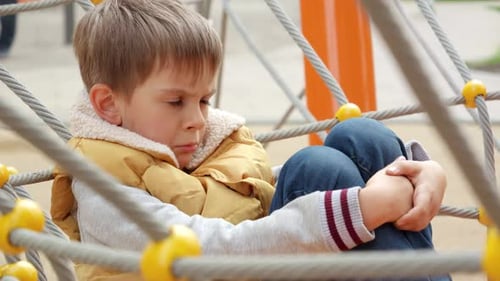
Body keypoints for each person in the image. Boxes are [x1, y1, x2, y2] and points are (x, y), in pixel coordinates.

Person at [50, 0, 449, 280]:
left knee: (360, 137)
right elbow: (208, 250)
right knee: (314, 168)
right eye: (175, 101)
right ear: (108, 104)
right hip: (226, 268)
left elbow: (247, 194)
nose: (196, 120)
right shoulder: (102, 189)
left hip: (261, 265)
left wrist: (415, 173)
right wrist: (359, 208)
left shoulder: (190, 144)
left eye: (205, 100)